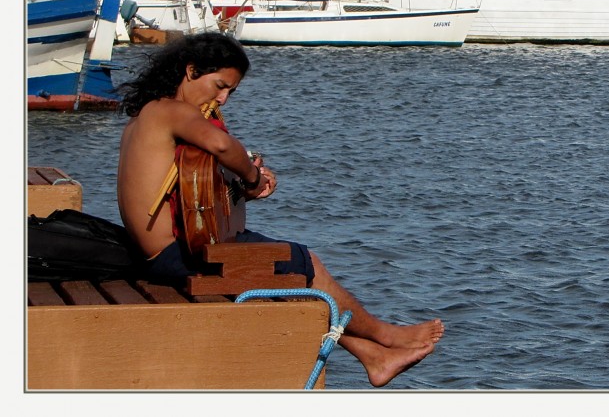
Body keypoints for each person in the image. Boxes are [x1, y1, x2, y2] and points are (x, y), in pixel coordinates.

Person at [115, 33, 442, 387]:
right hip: (174, 257)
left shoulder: (146, 114)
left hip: (164, 253)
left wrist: (238, 190)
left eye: (231, 92)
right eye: (220, 86)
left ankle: (373, 356)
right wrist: (252, 175)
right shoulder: (170, 110)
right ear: (191, 71)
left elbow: (192, 199)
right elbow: (221, 144)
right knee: (302, 262)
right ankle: (386, 335)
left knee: (286, 274)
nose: (222, 98)